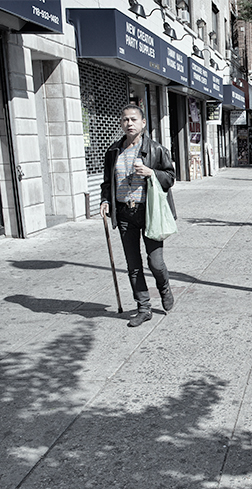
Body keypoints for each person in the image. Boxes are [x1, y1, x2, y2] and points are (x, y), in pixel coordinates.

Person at [100, 104, 176, 327]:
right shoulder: (113, 151)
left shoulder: (156, 149)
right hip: (125, 212)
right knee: (133, 265)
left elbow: (170, 177)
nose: (129, 123)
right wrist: (105, 200)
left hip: (149, 211)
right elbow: (107, 182)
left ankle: (164, 288)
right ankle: (143, 308)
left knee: (156, 262)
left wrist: (152, 172)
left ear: (143, 123)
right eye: (125, 120)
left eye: (133, 119)